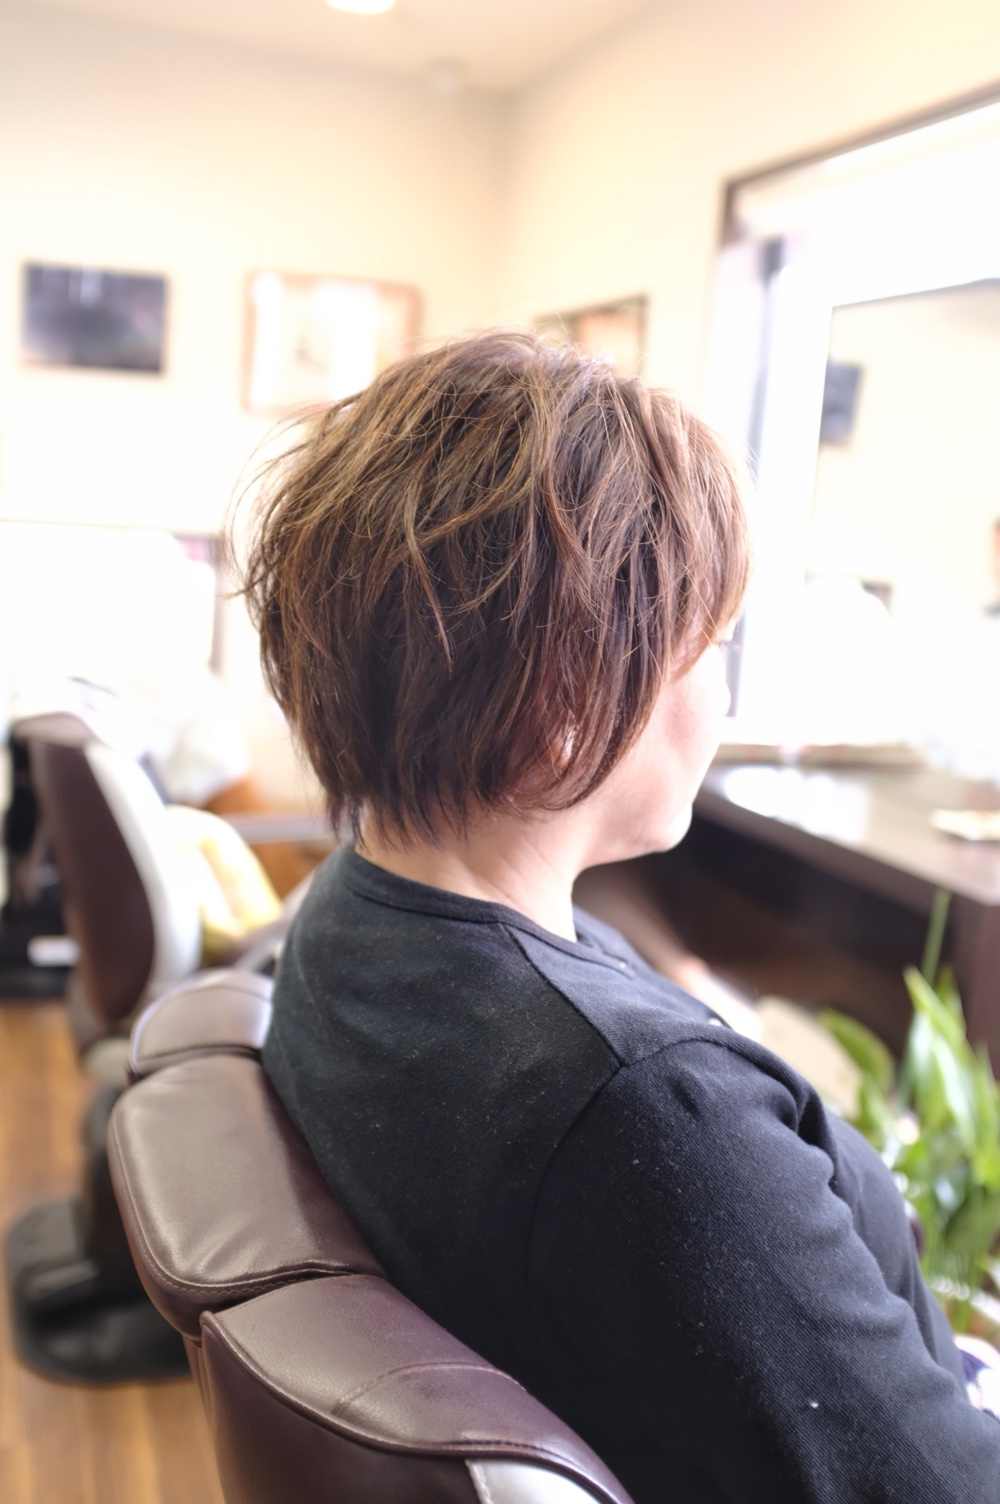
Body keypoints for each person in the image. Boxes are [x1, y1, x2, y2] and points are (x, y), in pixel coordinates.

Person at [238, 331, 1000, 1503]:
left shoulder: (349, 913)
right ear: (567, 694)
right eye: (712, 644)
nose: (722, 693)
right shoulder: (648, 1117)